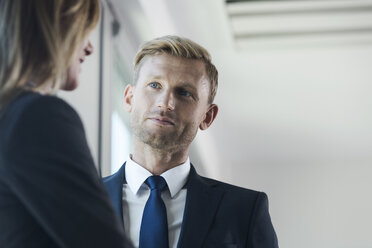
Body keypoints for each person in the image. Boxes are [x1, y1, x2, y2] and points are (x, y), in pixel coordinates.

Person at [103, 35, 279, 248]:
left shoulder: (244, 210)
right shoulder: (75, 200)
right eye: (154, 85)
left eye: (184, 93)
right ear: (129, 98)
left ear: (207, 116)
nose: (165, 103)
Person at [0, 1, 130, 247]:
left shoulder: (8, 116)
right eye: (83, 31)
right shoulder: (36, 117)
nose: (90, 47)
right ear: (57, 28)